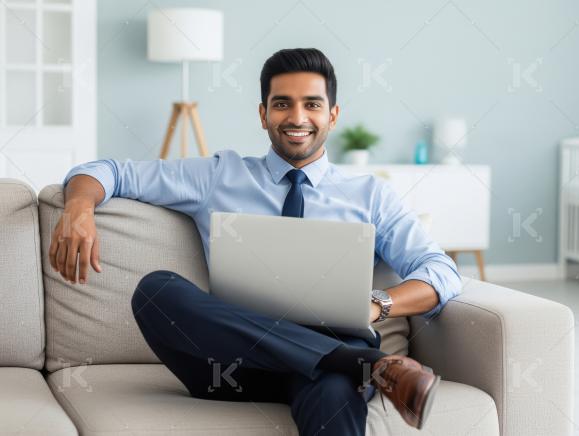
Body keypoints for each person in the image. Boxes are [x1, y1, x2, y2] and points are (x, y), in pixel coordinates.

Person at [49, 48, 462, 435]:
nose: (297, 117)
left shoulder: (371, 196)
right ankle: (369, 364)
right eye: (282, 103)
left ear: (333, 116)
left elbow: (440, 271)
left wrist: (377, 304)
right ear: (263, 115)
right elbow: (110, 171)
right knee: (155, 292)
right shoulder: (218, 175)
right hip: (231, 364)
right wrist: (79, 209)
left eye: (312, 104)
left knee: (336, 391)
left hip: (332, 361)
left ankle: (346, 361)